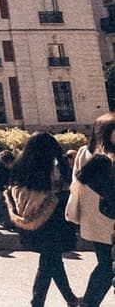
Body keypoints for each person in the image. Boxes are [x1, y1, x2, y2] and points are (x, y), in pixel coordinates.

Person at [6, 131, 79, 307]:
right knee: (49, 262)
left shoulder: (21, 165)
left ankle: (69, 299)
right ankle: (38, 302)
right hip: (52, 218)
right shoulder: (51, 167)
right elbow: (63, 187)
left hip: (30, 217)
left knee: (52, 260)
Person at [66, 112, 115, 307]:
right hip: (105, 220)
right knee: (106, 266)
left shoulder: (84, 153)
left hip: (95, 220)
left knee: (105, 265)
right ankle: (89, 303)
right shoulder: (100, 157)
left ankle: (88, 302)